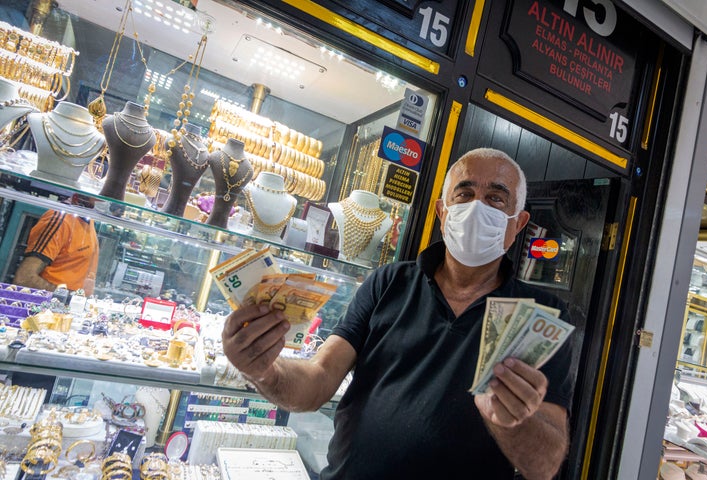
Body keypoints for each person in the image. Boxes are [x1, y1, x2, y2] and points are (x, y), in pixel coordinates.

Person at [222, 148, 573, 479]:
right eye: (464, 194)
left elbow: (544, 465)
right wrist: (265, 370)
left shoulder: (539, 316)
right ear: (442, 212)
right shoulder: (387, 282)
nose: (478, 207)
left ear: (518, 222)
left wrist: (512, 420)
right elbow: (318, 380)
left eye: (496, 198)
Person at [14, 193, 99, 295]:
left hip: (70, 306)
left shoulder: (89, 219)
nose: (101, 201)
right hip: (46, 306)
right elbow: (24, 279)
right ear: (78, 196)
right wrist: (66, 297)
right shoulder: (60, 219)